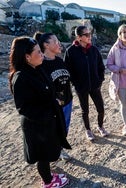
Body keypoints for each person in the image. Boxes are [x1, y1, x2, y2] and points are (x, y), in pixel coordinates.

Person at [9, 36, 71, 187]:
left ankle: (48, 175)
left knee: (48, 151)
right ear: (27, 57)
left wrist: (54, 101)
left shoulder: (37, 68)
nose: (42, 54)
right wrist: (48, 113)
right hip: (37, 125)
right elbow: (24, 108)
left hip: (47, 121)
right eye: (38, 52)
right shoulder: (21, 78)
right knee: (42, 155)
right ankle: (48, 182)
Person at [64, 25, 108, 141]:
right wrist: (76, 84)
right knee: (85, 110)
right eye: (87, 35)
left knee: (101, 108)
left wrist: (100, 80)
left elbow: (101, 67)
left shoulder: (94, 50)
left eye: (90, 34)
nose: (90, 37)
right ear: (79, 37)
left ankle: (100, 126)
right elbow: (68, 71)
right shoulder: (70, 51)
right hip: (81, 87)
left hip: (95, 85)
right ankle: (88, 130)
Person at [34, 32, 73, 160]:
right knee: (52, 130)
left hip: (67, 102)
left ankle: (59, 149)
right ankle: (51, 153)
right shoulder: (40, 65)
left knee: (64, 128)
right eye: (55, 41)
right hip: (52, 106)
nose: (59, 44)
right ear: (46, 45)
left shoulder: (60, 61)